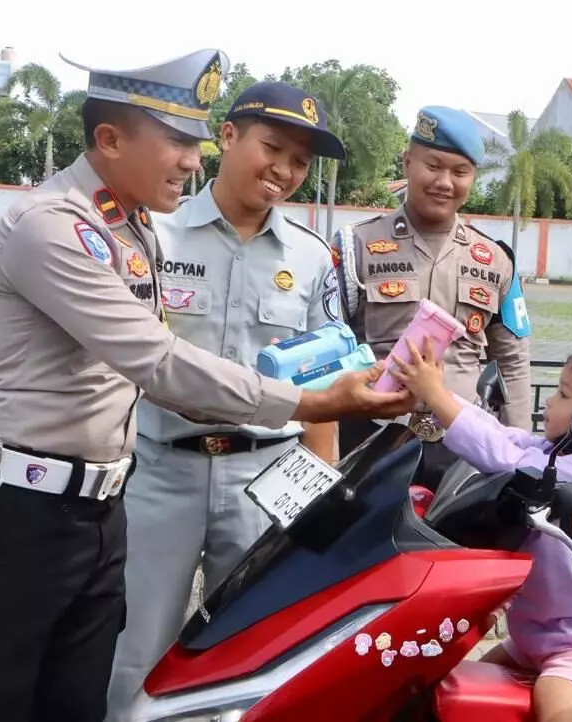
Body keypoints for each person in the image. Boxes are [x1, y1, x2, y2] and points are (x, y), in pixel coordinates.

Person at [0, 50, 411, 722]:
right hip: (47, 502)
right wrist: (315, 402)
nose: (190, 159)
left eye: (192, 142)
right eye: (177, 140)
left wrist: (322, 450)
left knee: (201, 660)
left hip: (145, 493)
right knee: (47, 681)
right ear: (111, 139)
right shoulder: (61, 228)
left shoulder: (141, 227)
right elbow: (157, 360)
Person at [106, 80, 349, 721]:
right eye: (273, 147)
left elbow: (324, 387)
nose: (285, 170)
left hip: (265, 477)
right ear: (228, 135)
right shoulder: (153, 234)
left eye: (301, 161)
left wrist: (317, 496)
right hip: (160, 472)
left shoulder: (314, 257)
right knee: (135, 645)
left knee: (254, 648)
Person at [389, 310, 572, 722]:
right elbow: (501, 437)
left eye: (564, 395)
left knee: (559, 715)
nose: (549, 400)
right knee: (440, 687)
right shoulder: (551, 453)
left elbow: (505, 460)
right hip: (531, 638)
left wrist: (438, 396)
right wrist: (438, 395)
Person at [333, 106, 532, 488]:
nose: (444, 182)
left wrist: (518, 454)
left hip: (463, 445)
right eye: (433, 166)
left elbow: (513, 361)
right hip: (373, 438)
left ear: (472, 177)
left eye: (460, 172)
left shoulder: (496, 260)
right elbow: (331, 343)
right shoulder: (356, 245)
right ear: (408, 163)